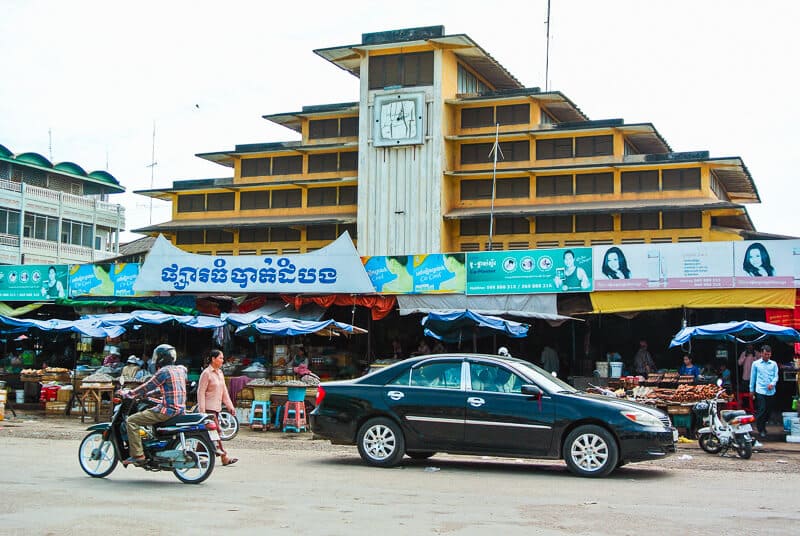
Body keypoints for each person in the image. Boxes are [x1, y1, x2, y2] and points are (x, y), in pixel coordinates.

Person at [122, 344, 187, 465]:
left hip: (168, 410)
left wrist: (130, 393)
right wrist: (149, 395)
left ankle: (138, 455)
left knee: (131, 420)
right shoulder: (181, 370)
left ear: (161, 358)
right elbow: (168, 388)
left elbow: (147, 386)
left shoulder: (163, 372)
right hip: (180, 409)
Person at [198, 350, 238, 466]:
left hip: (217, 408)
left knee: (206, 433)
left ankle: (197, 454)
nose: (222, 360)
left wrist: (230, 406)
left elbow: (224, 391)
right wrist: (202, 411)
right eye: (220, 358)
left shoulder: (220, 373)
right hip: (208, 409)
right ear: (213, 359)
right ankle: (224, 457)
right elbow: (200, 393)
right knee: (216, 432)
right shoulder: (206, 373)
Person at [750, 344, 779, 439]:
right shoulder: (756, 364)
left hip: (771, 391)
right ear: (761, 353)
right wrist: (751, 390)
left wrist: (772, 383)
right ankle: (760, 429)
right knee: (761, 409)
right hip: (760, 390)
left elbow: (776, 376)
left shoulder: (774, 364)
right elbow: (753, 378)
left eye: (769, 354)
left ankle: (763, 425)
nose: (767, 356)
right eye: (766, 354)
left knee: (768, 410)